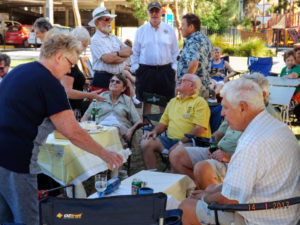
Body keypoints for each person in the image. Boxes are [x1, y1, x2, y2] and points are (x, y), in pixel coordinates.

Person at [0, 30, 123, 225]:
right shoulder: (49, 83)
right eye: (71, 64)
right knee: (27, 220)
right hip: (19, 162)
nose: (69, 70)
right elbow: (72, 132)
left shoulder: (19, 70)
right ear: (59, 57)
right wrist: (105, 154)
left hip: (4, 156)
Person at [179, 78, 300, 225]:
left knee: (185, 208)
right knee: (211, 188)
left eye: (226, 108)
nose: (222, 113)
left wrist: (204, 198)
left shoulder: (251, 142)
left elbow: (231, 200)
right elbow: (239, 185)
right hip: (285, 211)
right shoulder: (277, 127)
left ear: (243, 107)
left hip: (264, 218)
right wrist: (209, 192)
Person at [170, 72, 282, 189]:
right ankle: (199, 190)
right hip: (218, 152)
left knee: (202, 167)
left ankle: (212, 198)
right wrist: (212, 146)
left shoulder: (268, 117)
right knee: (177, 155)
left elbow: (260, 156)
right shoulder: (236, 108)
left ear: (263, 95)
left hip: (235, 161)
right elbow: (217, 134)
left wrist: (228, 156)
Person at [140, 74, 211, 170]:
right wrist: (155, 131)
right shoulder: (173, 102)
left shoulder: (200, 102)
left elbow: (199, 129)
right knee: (146, 142)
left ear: (192, 86)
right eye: (179, 79)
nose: (179, 81)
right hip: (170, 140)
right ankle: (152, 174)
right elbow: (163, 124)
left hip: (192, 142)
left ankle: (174, 179)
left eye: (183, 80)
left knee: (175, 152)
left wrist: (180, 143)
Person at [131, 1, 179, 115]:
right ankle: (146, 128)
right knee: (146, 101)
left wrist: (174, 68)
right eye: (151, 11)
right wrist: (137, 67)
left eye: (156, 11)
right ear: (148, 13)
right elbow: (135, 52)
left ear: (160, 12)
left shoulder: (169, 30)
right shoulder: (141, 30)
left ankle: (163, 131)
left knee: (165, 101)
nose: (154, 14)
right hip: (146, 71)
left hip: (165, 71)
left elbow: (175, 51)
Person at [81, 74, 142, 145]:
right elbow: (85, 117)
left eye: (117, 82)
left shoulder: (127, 100)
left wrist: (131, 130)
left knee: (114, 132)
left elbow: (138, 121)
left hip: (120, 129)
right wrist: (85, 129)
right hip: (101, 128)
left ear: (123, 88)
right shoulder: (100, 97)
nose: (114, 83)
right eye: (112, 81)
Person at [61, 26, 105, 119]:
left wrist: (81, 83)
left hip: (72, 107)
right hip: (68, 109)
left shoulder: (70, 58)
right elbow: (67, 91)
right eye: (84, 45)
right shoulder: (68, 60)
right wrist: (90, 95)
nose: (85, 49)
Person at [89, 7, 132, 92]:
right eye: (107, 19)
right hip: (103, 80)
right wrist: (121, 54)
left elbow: (129, 51)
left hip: (119, 78)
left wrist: (115, 56)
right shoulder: (95, 40)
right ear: (97, 22)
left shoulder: (113, 37)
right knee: (103, 105)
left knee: (121, 105)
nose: (110, 22)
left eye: (110, 19)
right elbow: (108, 59)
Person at [177, 13, 213, 99]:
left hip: (191, 90)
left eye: (183, 25)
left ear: (191, 27)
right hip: (204, 87)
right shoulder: (206, 39)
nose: (180, 28)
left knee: (187, 112)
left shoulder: (192, 41)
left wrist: (184, 83)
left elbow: (194, 63)